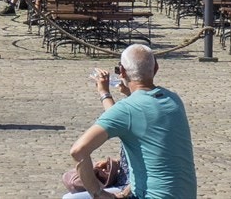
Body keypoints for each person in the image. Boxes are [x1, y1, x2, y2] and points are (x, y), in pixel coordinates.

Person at [71, 44, 196, 199]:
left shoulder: (128, 109)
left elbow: (78, 150)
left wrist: (98, 193)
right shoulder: (174, 99)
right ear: (156, 68)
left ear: (122, 72)